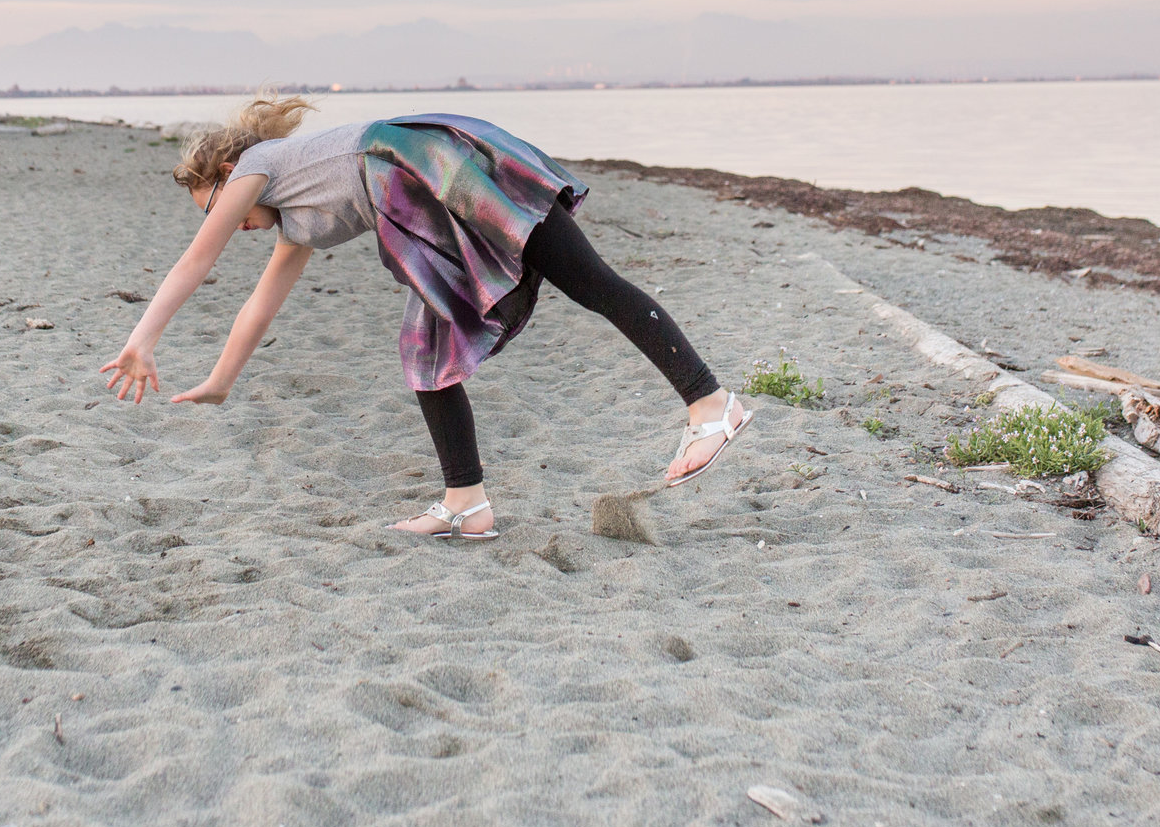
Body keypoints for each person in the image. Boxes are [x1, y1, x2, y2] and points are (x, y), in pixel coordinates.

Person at [100, 95, 750, 540]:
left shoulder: (255, 167)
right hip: (415, 202)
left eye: (213, 204)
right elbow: (259, 301)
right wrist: (220, 378)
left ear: (224, 171)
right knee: (425, 346)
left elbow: (196, 259)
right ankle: (466, 502)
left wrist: (142, 337)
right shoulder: (293, 214)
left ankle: (710, 403)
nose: (225, 221)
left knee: (590, 281)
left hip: (424, 168)